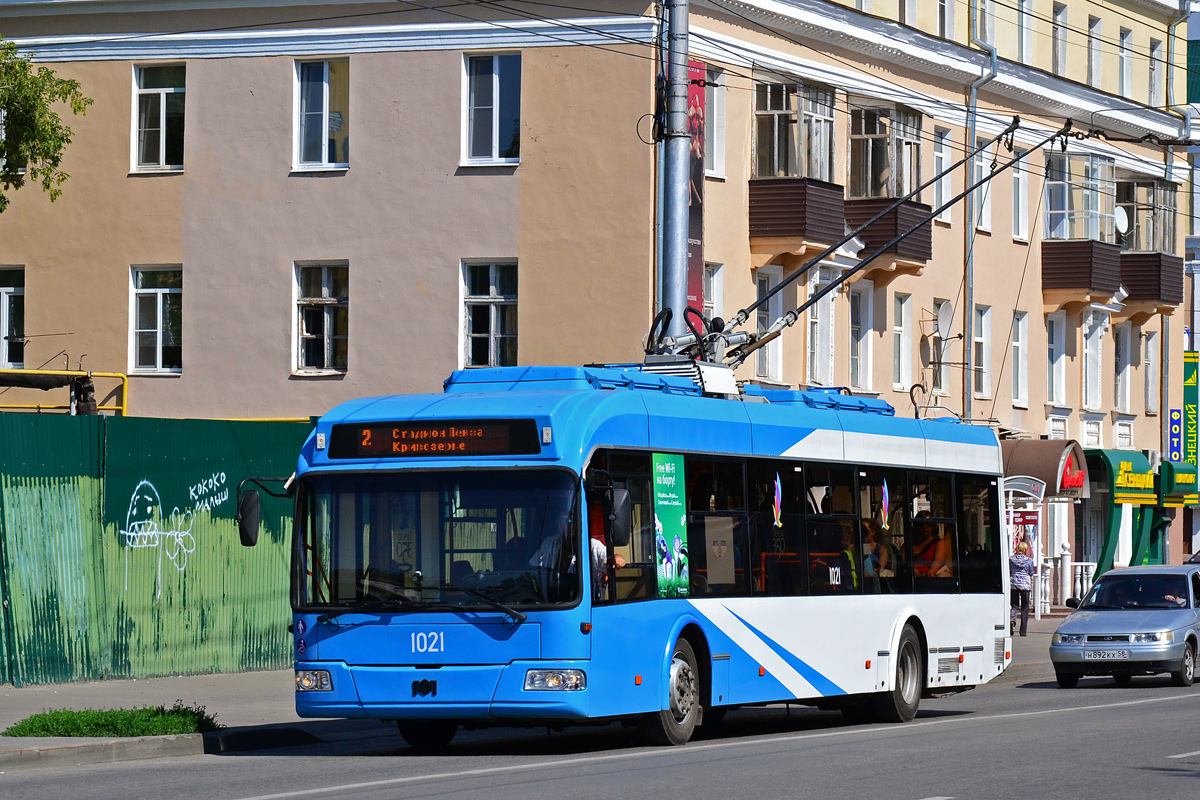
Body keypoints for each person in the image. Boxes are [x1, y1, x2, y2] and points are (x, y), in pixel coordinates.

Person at [1009, 542, 1035, 636]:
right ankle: (1023, 631)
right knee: (1024, 607)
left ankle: (1012, 620)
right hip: (1025, 585)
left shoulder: (1011, 559)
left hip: (1014, 584)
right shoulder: (1029, 560)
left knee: (1014, 605)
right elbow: (1031, 572)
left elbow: (1009, 570)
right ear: (1025, 550)